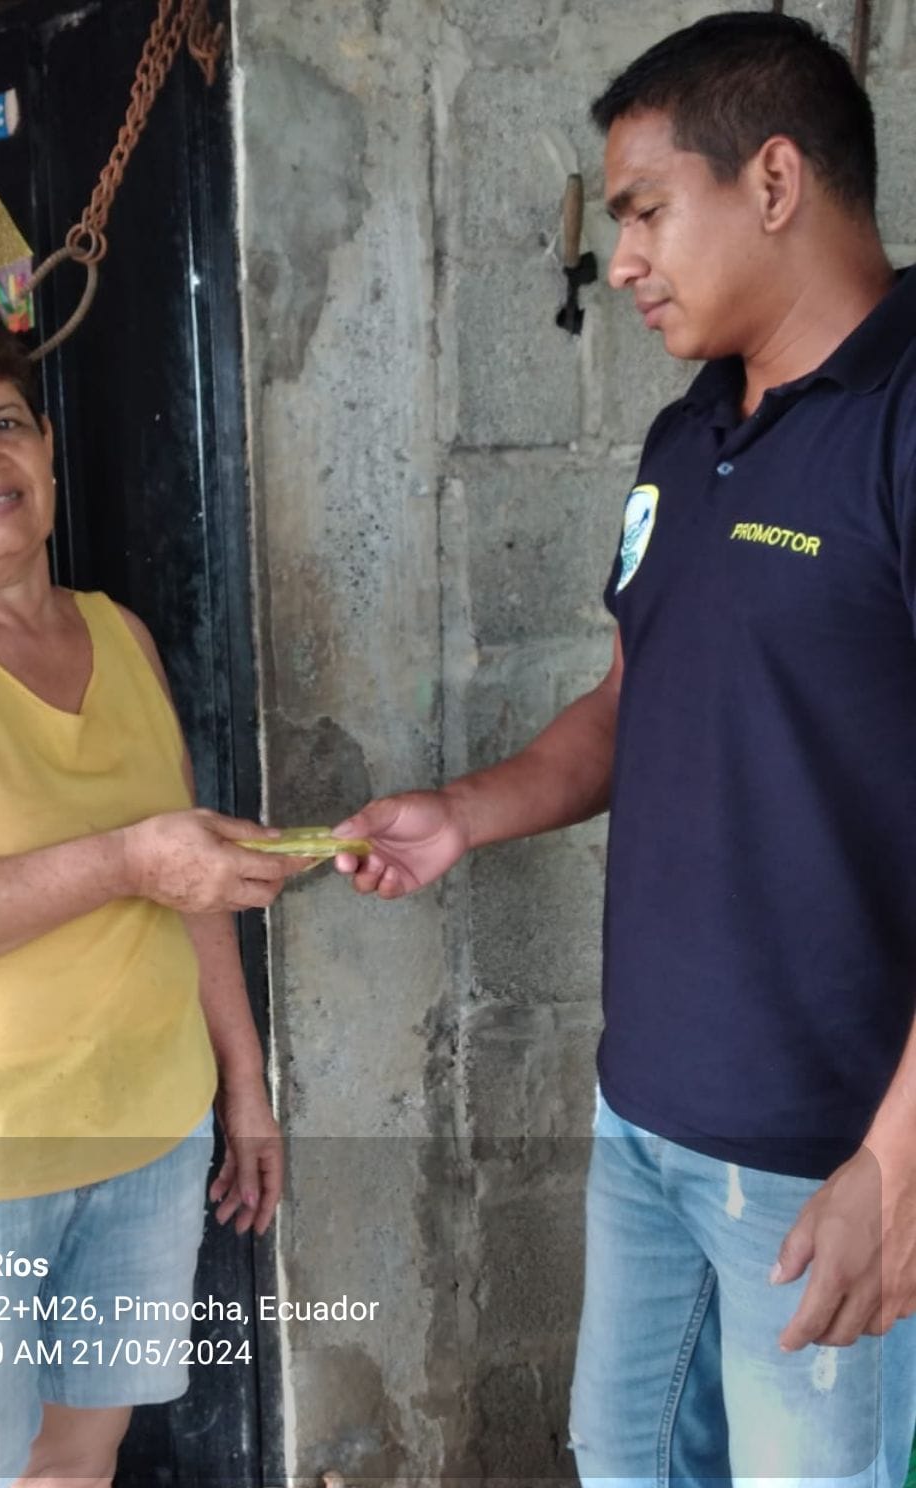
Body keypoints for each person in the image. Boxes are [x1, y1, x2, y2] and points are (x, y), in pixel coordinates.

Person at [334, 12, 916, 1485]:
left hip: (831, 1150)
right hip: (646, 1114)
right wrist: (465, 813)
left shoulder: (905, 425)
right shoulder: (688, 434)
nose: (624, 260)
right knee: (623, 1460)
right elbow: (628, 702)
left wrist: (898, 1165)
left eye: (647, 210)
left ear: (773, 180)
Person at [0, 288, 310, 1488]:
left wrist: (242, 1082)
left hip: (145, 1142)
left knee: (79, 1462)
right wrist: (120, 860)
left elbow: (189, 880)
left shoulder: (121, 635)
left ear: (46, 449)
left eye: (4, 422)